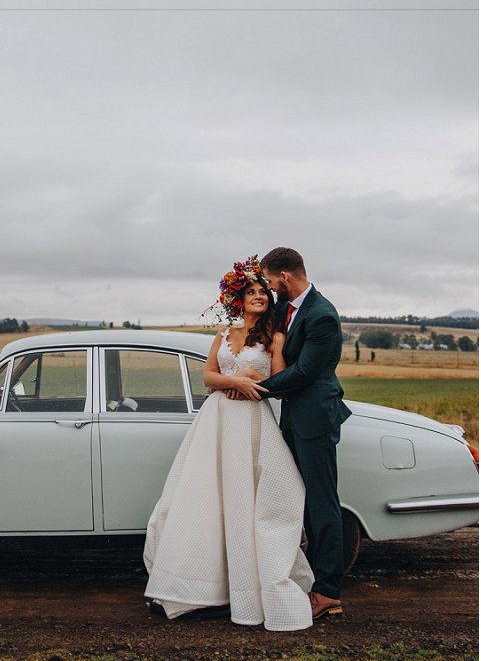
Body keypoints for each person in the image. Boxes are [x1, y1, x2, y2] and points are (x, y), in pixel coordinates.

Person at [143, 256, 314, 631]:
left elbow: (280, 387)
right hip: (216, 422)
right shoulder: (223, 334)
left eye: (263, 293)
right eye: (250, 292)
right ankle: (199, 586)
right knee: (206, 499)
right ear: (237, 299)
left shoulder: (275, 339)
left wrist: (255, 376)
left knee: (245, 501)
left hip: (252, 423)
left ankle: (246, 592)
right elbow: (208, 378)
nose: (258, 297)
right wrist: (237, 380)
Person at [246, 247, 351, 620]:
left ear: (286, 278)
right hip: (294, 417)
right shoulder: (287, 308)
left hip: (315, 420)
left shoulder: (321, 315)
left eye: (272, 282)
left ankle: (327, 592)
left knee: (322, 503)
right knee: (297, 499)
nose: (271, 289)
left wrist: (260, 386)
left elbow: (305, 372)